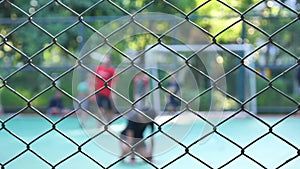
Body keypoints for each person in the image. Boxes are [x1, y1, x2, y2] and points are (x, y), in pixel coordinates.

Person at [95, 55, 116, 122]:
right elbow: (95, 80)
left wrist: (113, 93)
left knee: (110, 109)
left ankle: (109, 122)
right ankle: (99, 123)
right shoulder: (99, 68)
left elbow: (114, 82)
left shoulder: (112, 70)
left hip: (108, 92)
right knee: (100, 108)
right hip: (99, 92)